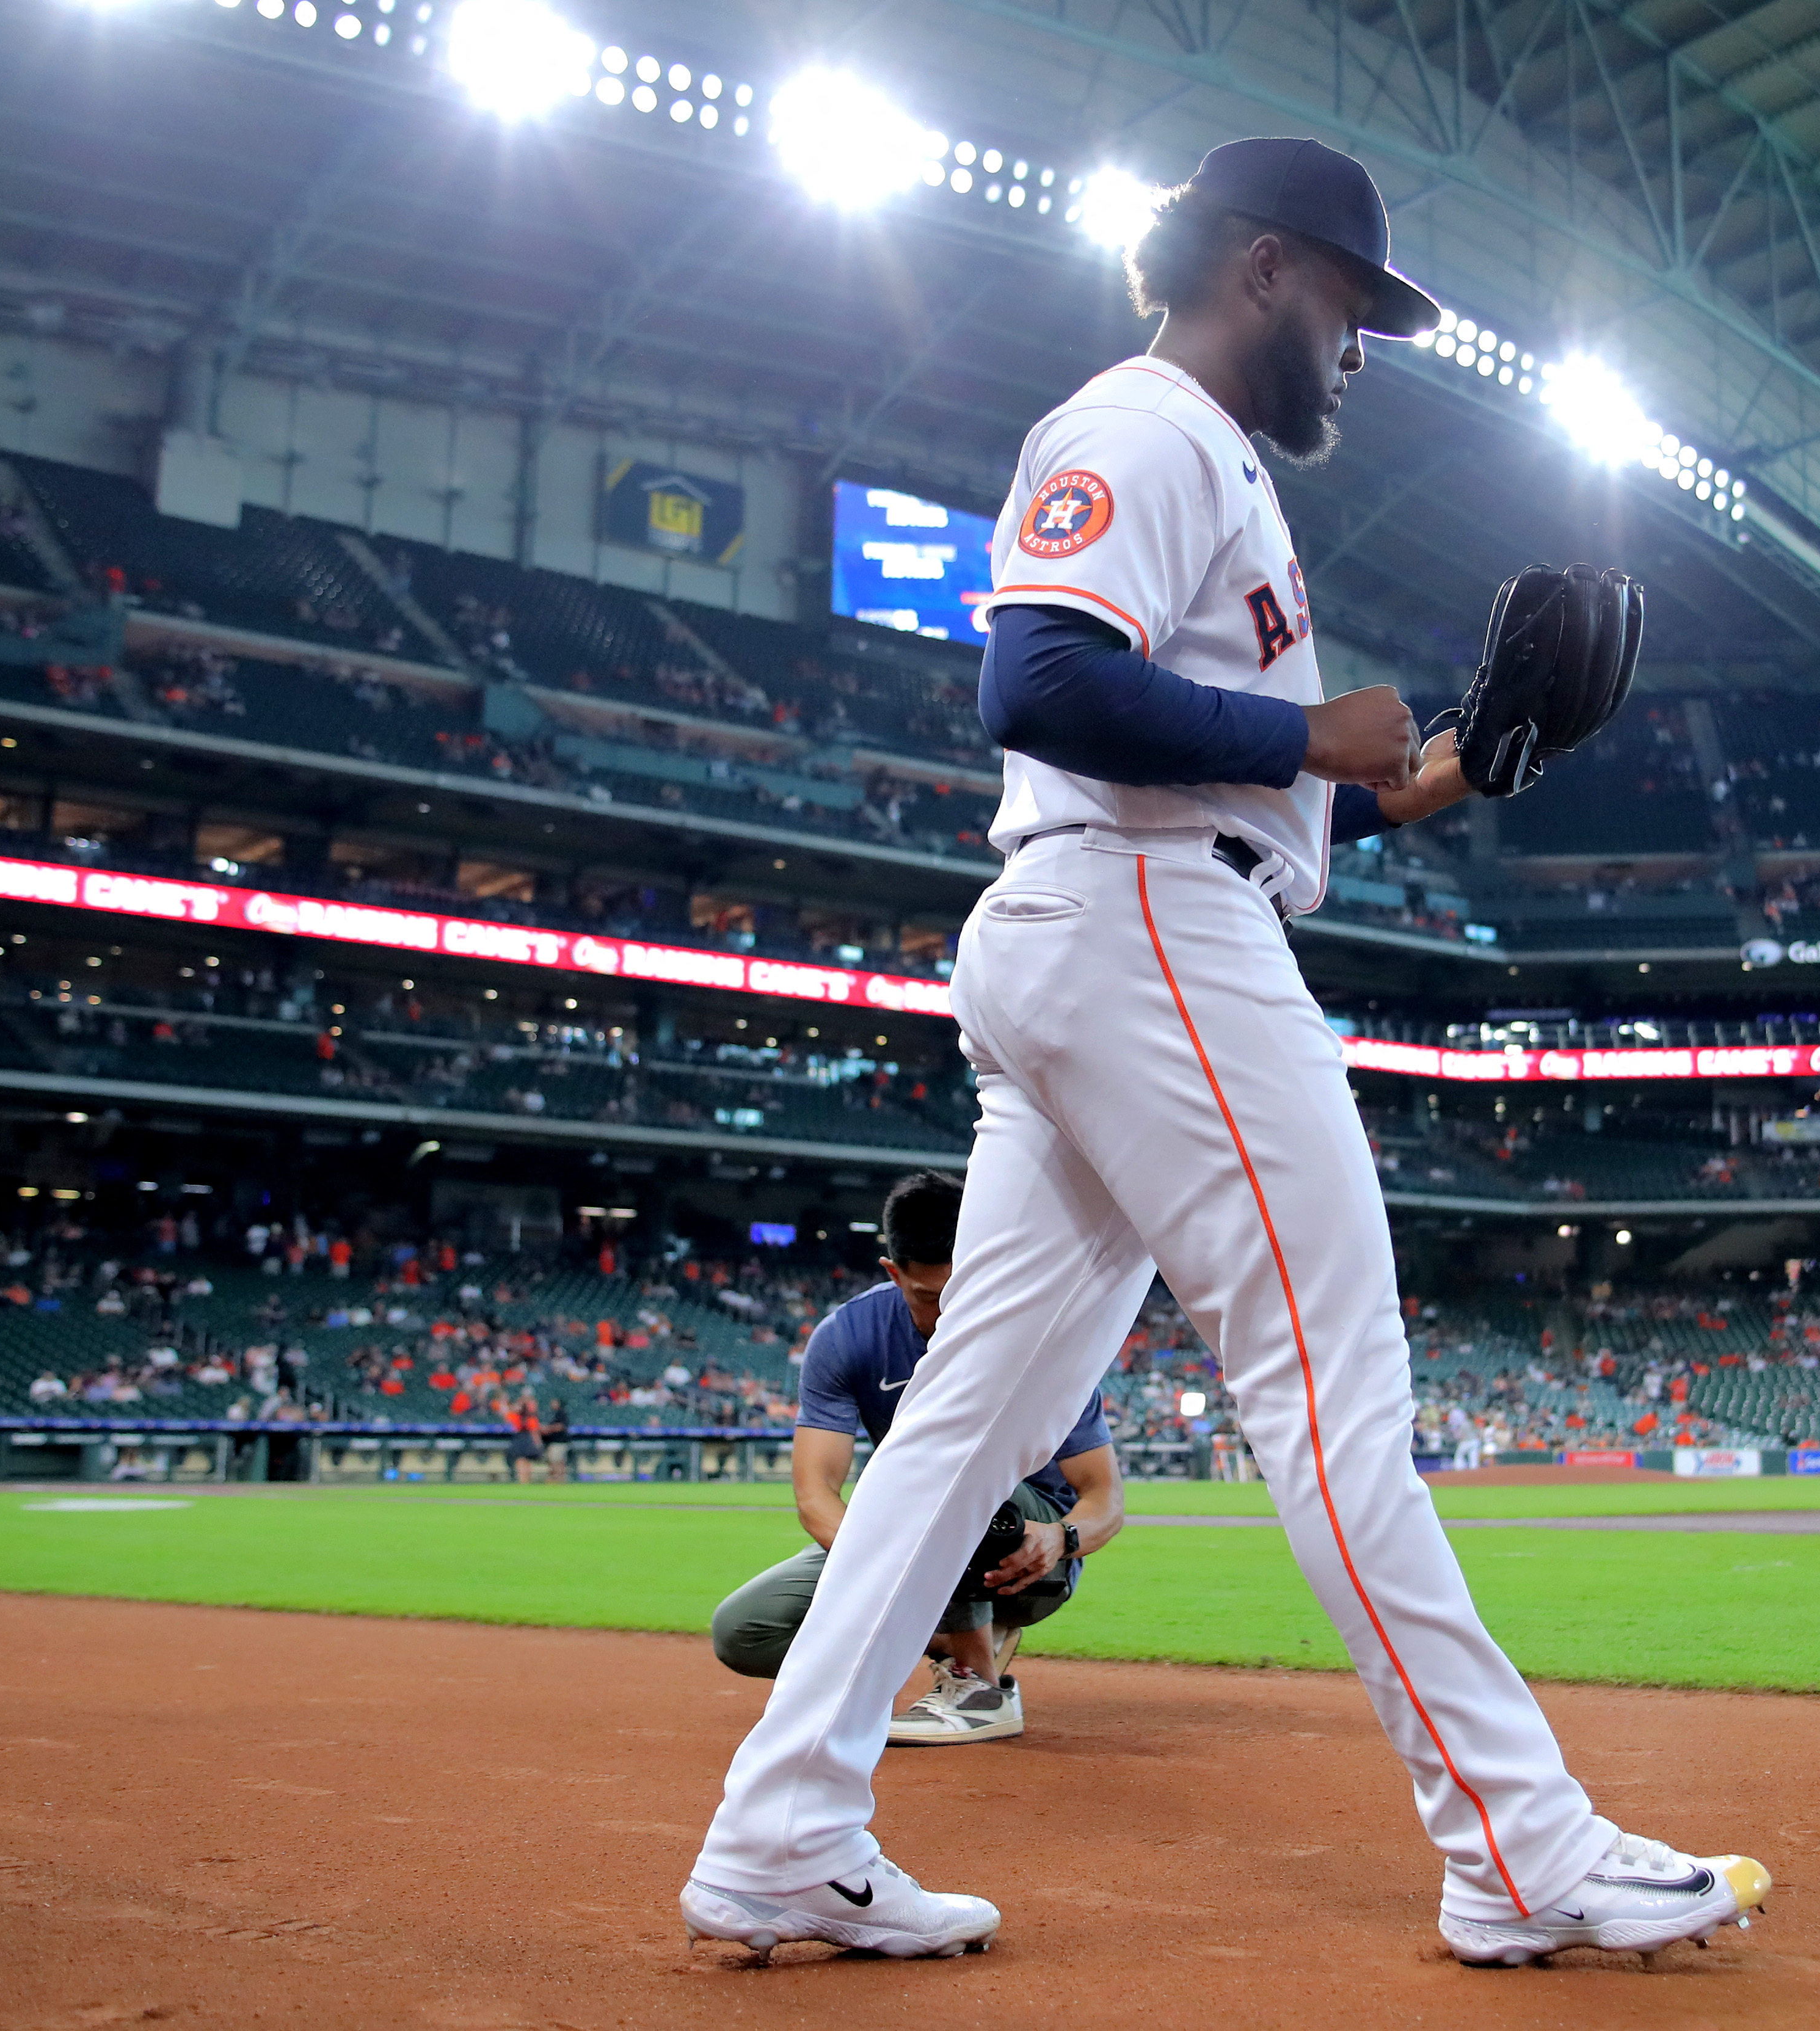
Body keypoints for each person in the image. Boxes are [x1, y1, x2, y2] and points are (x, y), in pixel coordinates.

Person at [679, 137, 1765, 1970]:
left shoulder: (1217, 469)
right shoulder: (1149, 426)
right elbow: (1034, 682)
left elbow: (1251, 772)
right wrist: (1307, 733)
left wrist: (1431, 770)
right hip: (1139, 929)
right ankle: (1517, 1841)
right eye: (1352, 304)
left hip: (1116, 929)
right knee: (1335, 1389)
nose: (1364, 347)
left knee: (961, 1431)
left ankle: (784, 1828)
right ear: (1265, 267)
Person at [707, 1174, 1121, 1749]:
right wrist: (888, 1569)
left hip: (1026, 1555)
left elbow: (1106, 1500)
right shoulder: (848, 1337)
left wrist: (1062, 1537)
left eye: (962, 1295)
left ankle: (980, 1687)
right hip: (911, 1529)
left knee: (935, 1476)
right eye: (930, 1299)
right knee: (744, 1631)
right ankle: (952, 1636)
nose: (949, 1315)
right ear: (892, 1272)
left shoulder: (1040, 1339)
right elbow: (815, 1495)